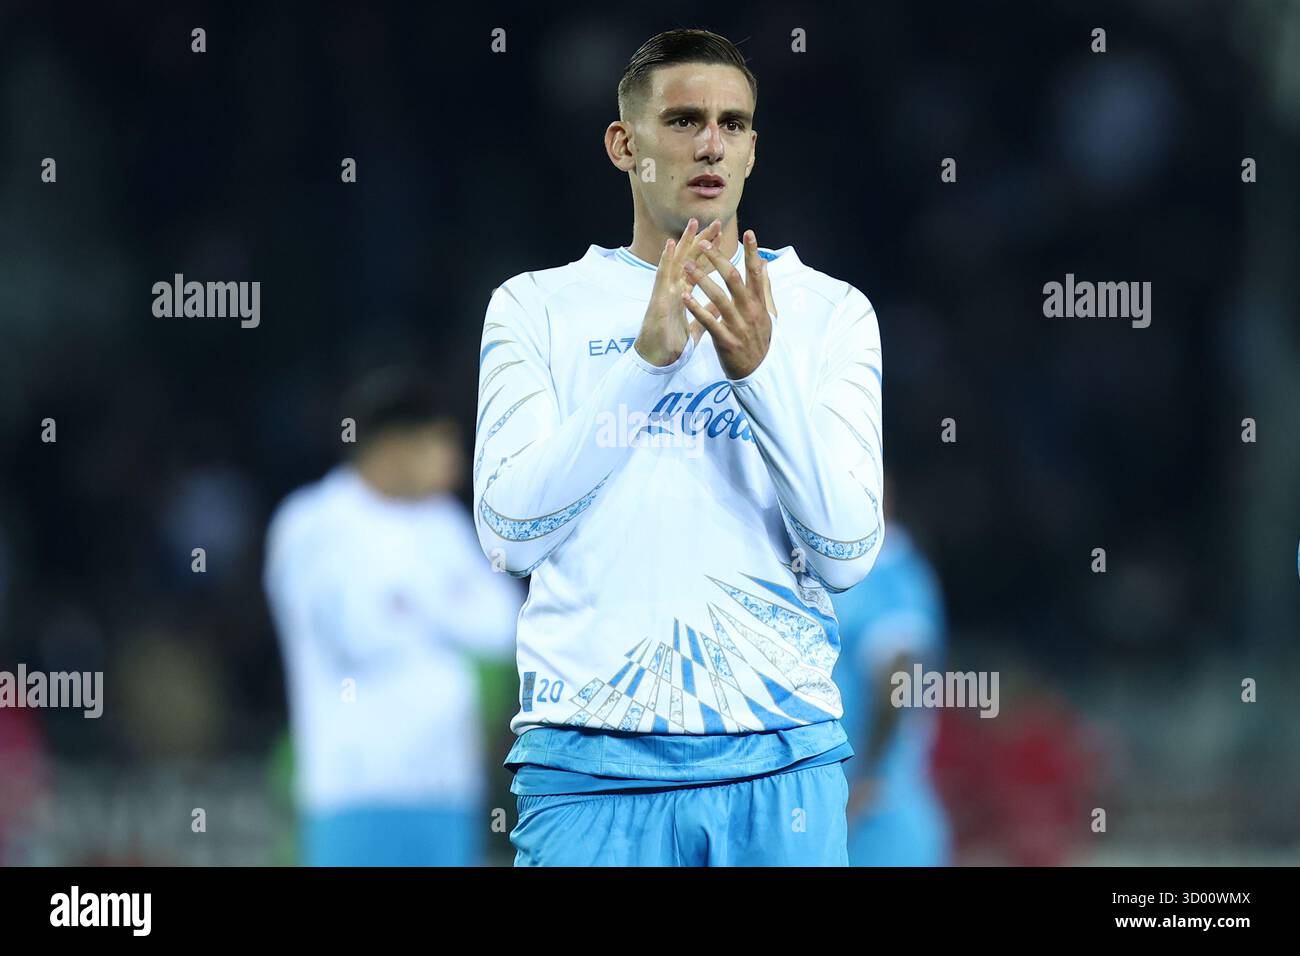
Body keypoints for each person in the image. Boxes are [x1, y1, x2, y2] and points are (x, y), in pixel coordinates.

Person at [473, 29, 885, 866]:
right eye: (685, 119)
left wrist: (757, 374)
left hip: (782, 759)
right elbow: (509, 536)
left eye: (734, 124)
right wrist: (645, 365)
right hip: (589, 765)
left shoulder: (832, 313)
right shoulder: (537, 308)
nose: (710, 144)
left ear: (753, 148)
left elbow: (845, 554)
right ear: (624, 145)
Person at [264, 369, 522, 865]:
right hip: (356, 791)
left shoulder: (443, 523)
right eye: (440, 443)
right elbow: (360, 633)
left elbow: (502, 624)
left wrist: (409, 600)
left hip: (446, 787)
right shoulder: (313, 522)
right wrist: (445, 602)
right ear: (394, 446)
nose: (455, 460)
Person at [831, 491, 952, 866]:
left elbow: (901, 675)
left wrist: (866, 778)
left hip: (878, 815)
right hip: (855, 804)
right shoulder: (843, 567)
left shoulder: (886, 572)